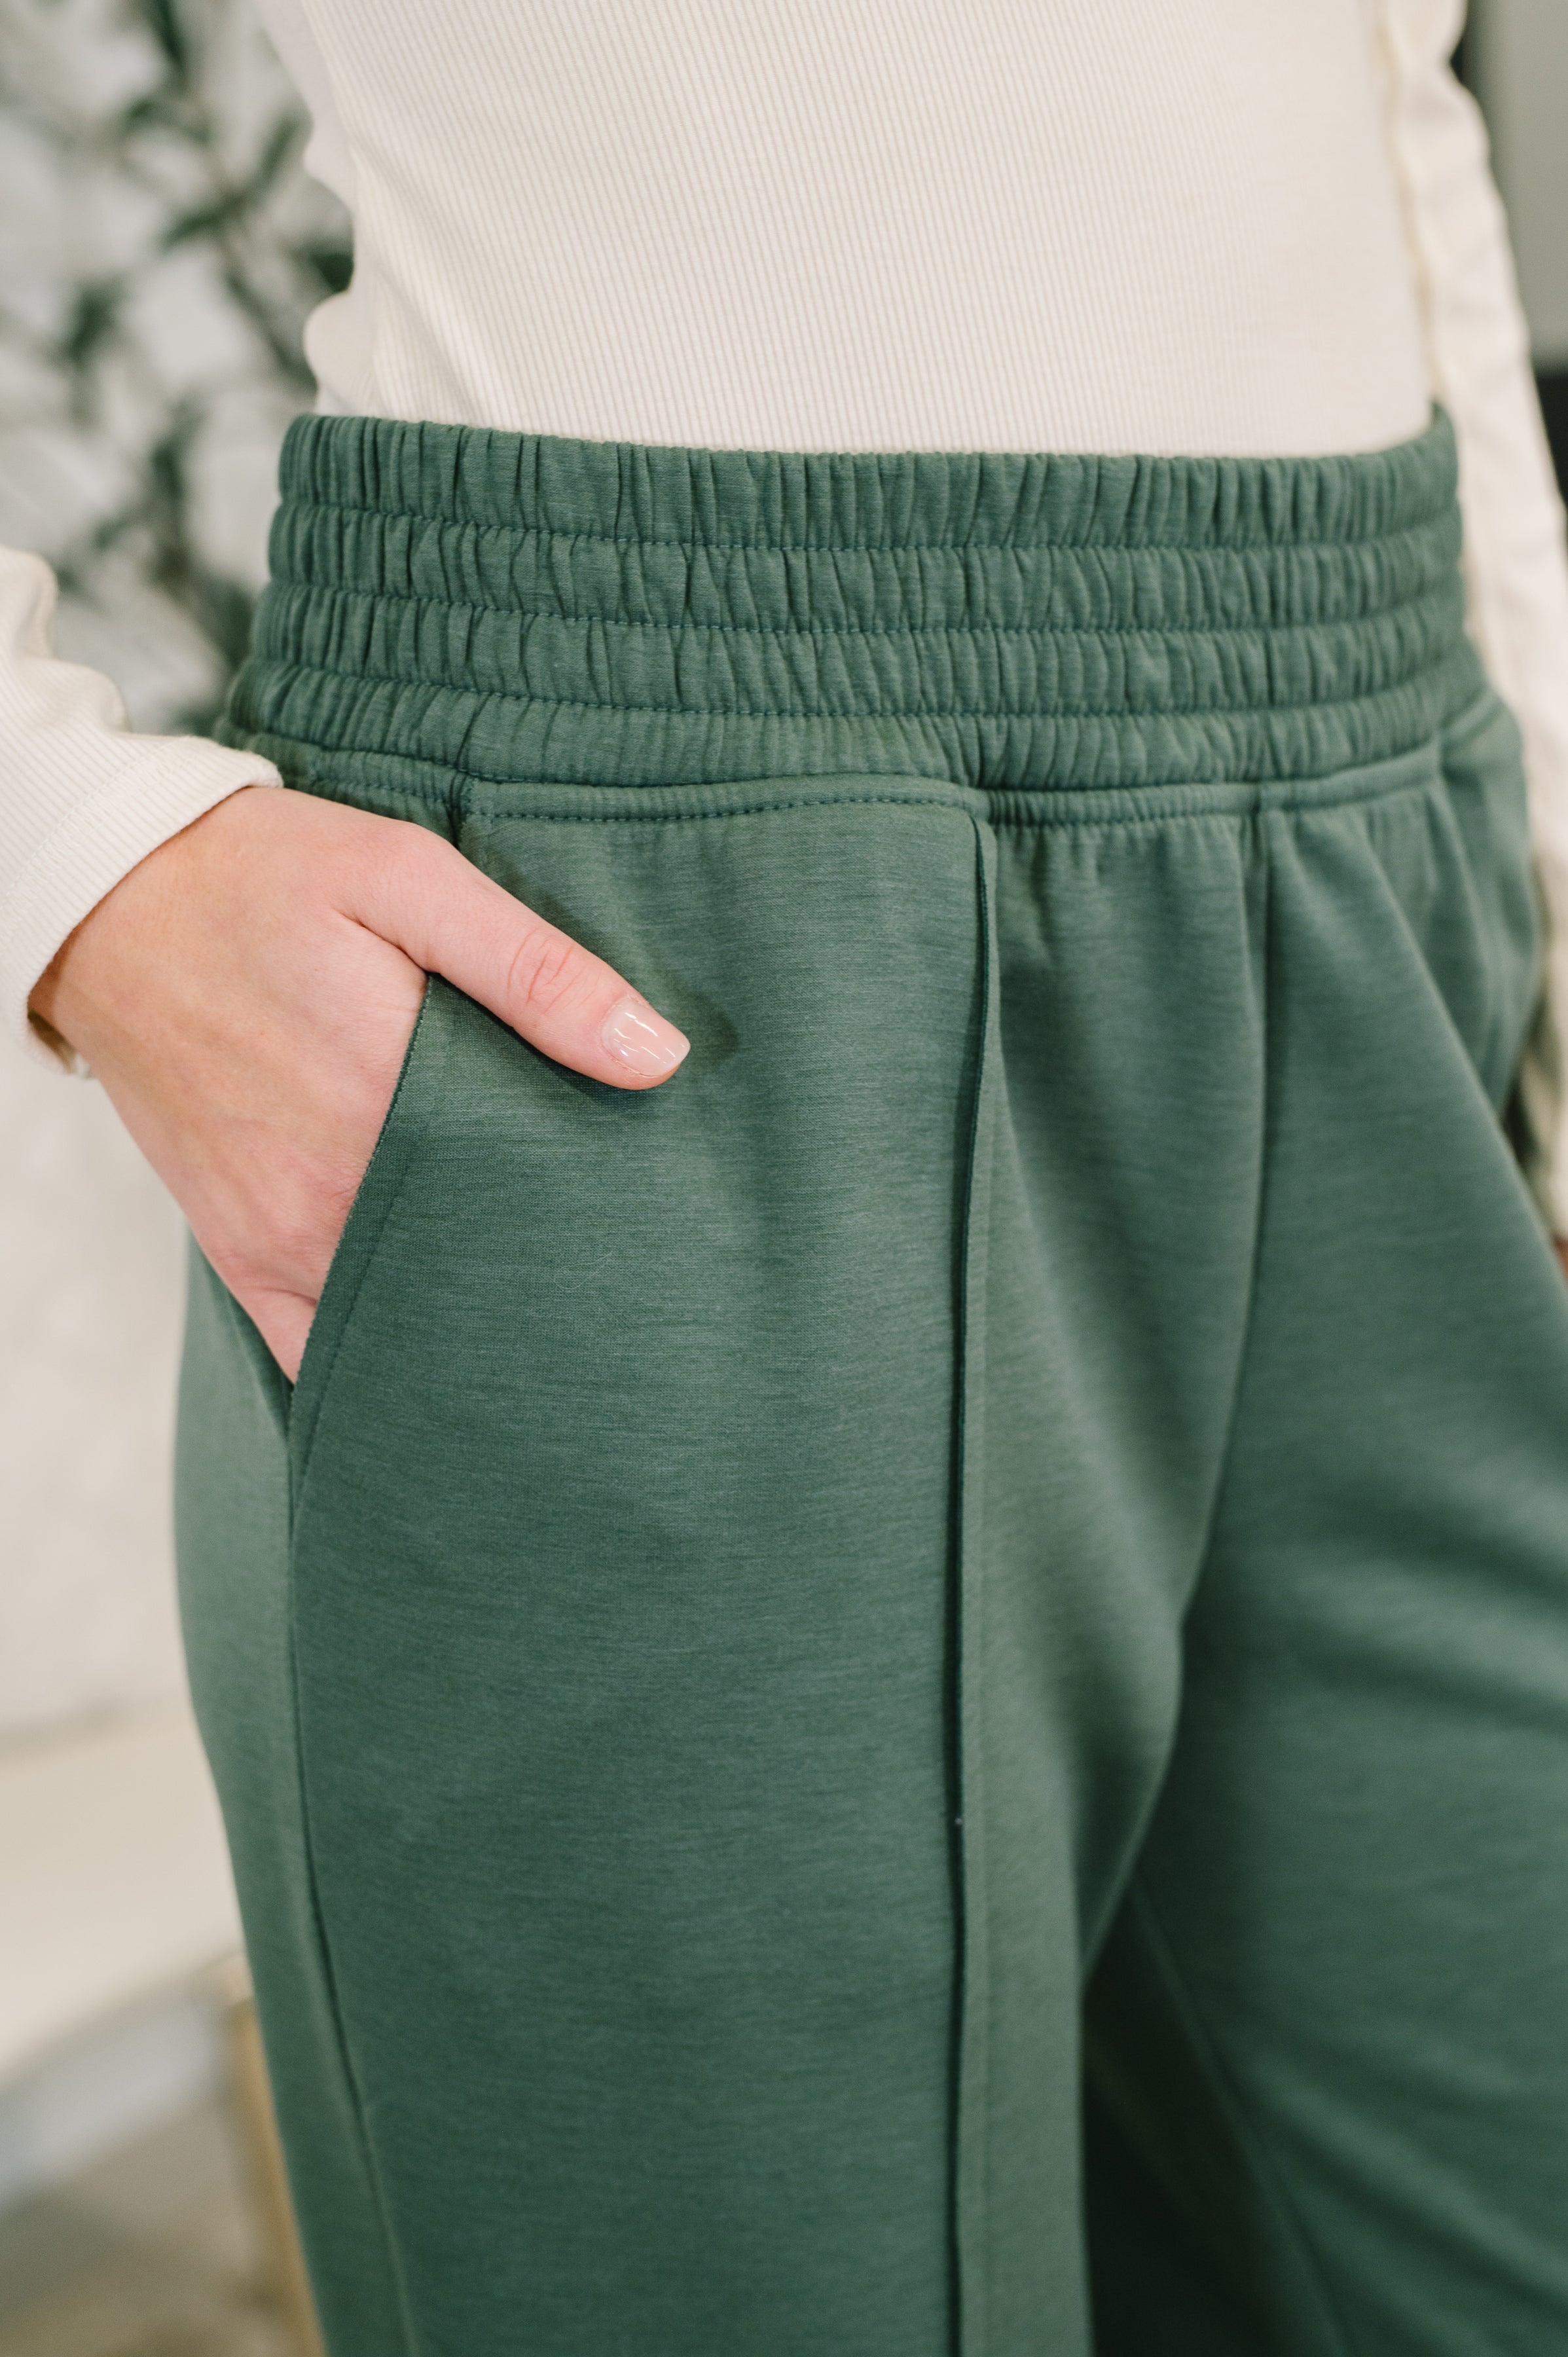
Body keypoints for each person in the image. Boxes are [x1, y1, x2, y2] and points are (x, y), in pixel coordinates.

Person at [6, 1, 1568, 2347]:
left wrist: (1542, 904)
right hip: (657, 923)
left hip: (1382, 862)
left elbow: (1381, 80)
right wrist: (72, 863)